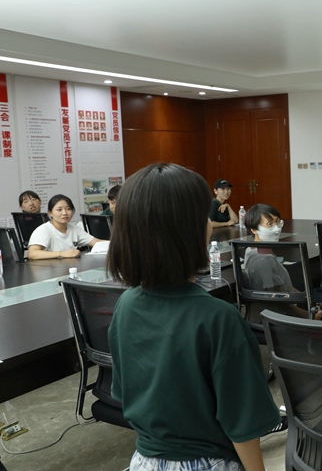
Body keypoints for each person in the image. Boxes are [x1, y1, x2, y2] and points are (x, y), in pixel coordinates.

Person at [107, 163, 280, 471]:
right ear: (191, 232)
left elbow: (125, 393)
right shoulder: (219, 318)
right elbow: (242, 426)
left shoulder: (126, 304)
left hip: (143, 460)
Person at [242, 203, 322, 321]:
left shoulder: (251, 250)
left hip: (279, 311)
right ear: (254, 230)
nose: (277, 228)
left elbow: (283, 289)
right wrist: (309, 316)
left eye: (277, 222)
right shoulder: (265, 260)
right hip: (280, 320)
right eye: (269, 224)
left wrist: (308, 300)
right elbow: (278, 302)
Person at [28, 195, 103, 260]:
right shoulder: (43, 230)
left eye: (68, 209)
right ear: (50, 213)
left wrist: (110, 244)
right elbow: (32, 254)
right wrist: (61, 254)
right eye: (59, 210)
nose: (64, 213)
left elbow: (97, 242)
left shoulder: (75, 229)